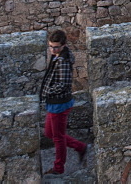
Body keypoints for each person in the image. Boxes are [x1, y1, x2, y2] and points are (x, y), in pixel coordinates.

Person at [39, 29, 87, 174]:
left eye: (56, 47)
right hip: (53, 103)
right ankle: (80, 147)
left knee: (58, 138)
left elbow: (64, 84)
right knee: (50, 133)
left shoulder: (63, 61)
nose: (53, 49)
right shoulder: (57, 57)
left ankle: (58, 168)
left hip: (59, 104)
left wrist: (47, 91)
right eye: (51, 46)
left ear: (63, 45)